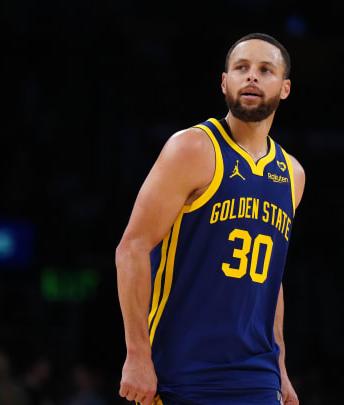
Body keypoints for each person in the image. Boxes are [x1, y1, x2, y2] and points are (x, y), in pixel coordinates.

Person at [116, 33, 305, 405]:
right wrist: (137, 355)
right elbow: (132, 248)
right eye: (241, 68)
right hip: (182, 368)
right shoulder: (191, 148)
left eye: (265, 70)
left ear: (284, 89)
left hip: (257, 374)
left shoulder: (292, 174)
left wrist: (281, 367)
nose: (251, 77)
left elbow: (271, 278)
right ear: (224, 82)